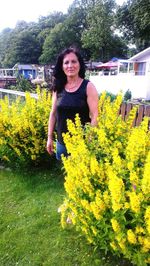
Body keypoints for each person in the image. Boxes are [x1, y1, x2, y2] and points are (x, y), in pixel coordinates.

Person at [46, 47, 99, 160]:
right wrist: (49, 138)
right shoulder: (58, 87)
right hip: (61, 143)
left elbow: (95, 116)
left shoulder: (88, 87)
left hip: (82, 143)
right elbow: (53, 113)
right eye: (66, 62)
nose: (70, 65)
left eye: (74, 61)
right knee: (65, 175)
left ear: (79, 64)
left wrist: (89, 140)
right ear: (62, 66)